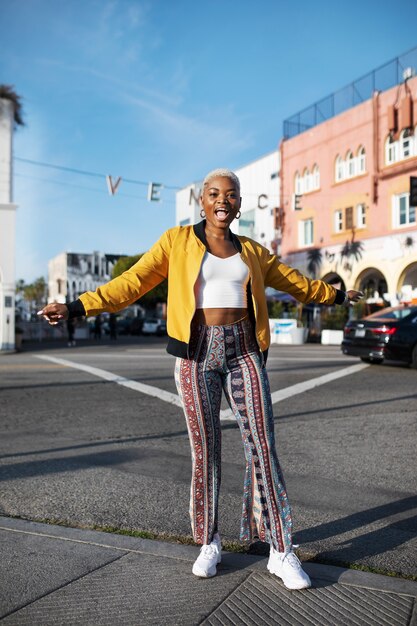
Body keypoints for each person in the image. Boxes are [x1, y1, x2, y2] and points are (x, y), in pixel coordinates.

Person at [38, 168, 363, 590]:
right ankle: (210, 541)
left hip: (244, 349)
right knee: (205, 451)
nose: (222, 201)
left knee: (263, 446)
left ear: (240, 204)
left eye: (231, 195)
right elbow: (132, 283)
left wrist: (336, 294)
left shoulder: (253, 252)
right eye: (214, 194)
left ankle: (281, 551)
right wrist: (75, 306)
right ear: (202, 201)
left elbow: (297, 283)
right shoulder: (177, 241)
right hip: (196, 354)